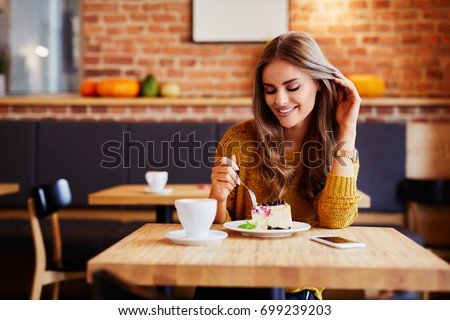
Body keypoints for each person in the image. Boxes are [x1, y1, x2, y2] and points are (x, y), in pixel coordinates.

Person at [194, 31, 361, 300]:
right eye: (269, 90)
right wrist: (217, 197)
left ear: (319, 83)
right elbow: (216, 230)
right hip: (232, 281)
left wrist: (347, 129)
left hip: (295, 288)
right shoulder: (238, 141)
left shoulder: (340, 148)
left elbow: (336, 221)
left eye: (292, 87)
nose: (279, 101)